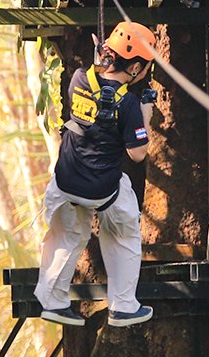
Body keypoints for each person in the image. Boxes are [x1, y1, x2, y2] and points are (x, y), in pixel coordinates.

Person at [35, 21, 160, 328]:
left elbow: (96, 90)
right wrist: (145, 114)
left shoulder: (78, 79)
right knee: (124, 230)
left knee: (68, 235)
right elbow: (137, 153)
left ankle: (52, 301)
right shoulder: (129, 104)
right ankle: (123, 306)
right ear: (134, 68)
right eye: (143, 68)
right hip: (101, 190)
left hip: (65, 182)